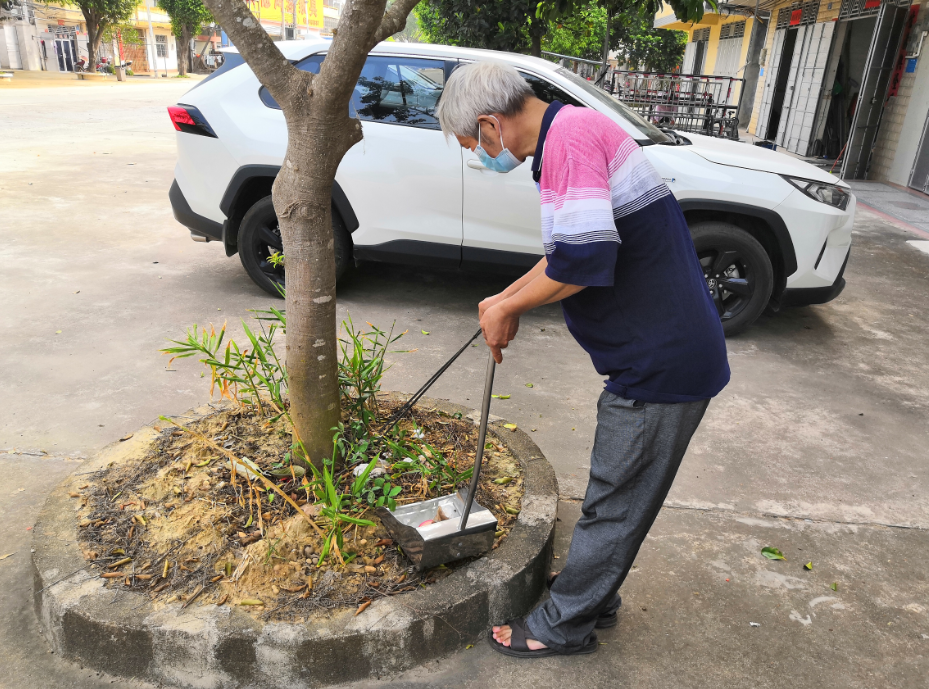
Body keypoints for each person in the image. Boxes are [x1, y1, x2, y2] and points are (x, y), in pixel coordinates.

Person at [435, 61, 730, 658]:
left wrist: (509, 307)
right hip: (655, 351)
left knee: (615, 500)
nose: (479, 155)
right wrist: (504, 299)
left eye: (472, 144)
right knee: (617, 493)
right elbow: (565, 250)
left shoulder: (568, 143)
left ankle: (563, 625)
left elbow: (583, 262)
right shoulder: (570, 132)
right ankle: (593, 591)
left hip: (658, 363)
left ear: (490, 124)